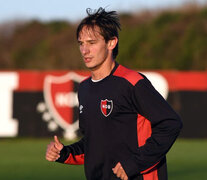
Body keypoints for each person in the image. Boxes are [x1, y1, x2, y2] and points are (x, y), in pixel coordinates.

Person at [45, 7, 182, 180]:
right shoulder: (85, 88)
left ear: (111, 43)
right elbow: (92, 144)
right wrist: (64, 153)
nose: (84, 50)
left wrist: (135, 164)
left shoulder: (132, 82)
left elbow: (170, 123)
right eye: (81, 43)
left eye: (92, 42)